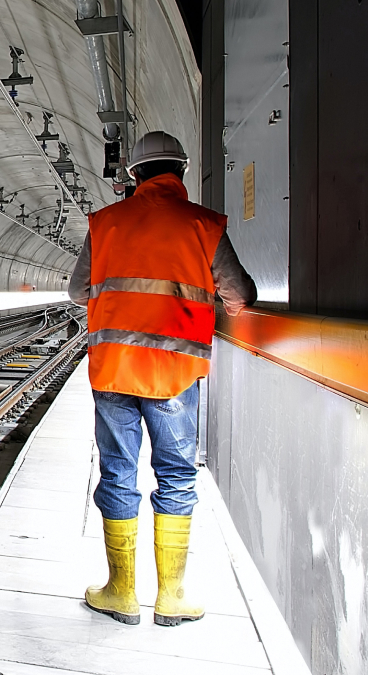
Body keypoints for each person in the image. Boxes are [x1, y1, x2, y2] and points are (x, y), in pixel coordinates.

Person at [67, 130, 256, 627]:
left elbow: (77, 291)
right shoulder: (203, 225)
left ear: (134, 174)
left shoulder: (105, 223)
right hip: (174, 373)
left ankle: (120, 592)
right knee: (175, 473)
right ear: (181, 171)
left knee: (118, 471)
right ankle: (171, 596)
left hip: (114, 370)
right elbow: (239, 294)